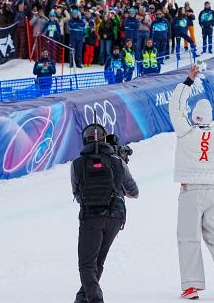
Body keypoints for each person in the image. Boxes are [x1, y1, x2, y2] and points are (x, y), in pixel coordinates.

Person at [169, 64, 214, 300]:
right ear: (210, 117)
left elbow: (175, 107)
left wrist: (188, 81)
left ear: (194, 116)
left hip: (190, 191)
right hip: (212, 191)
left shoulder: (185, 131)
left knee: (188, 238)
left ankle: (191, 286)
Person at [71, 122, 139, 303]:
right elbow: (134, 192)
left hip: (91, 218)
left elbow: (77, 194)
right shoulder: (117, 162)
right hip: (115, 218)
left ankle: (94, 299)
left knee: (87, 264)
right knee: (97, 262)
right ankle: (83, 297)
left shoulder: (77, 164)